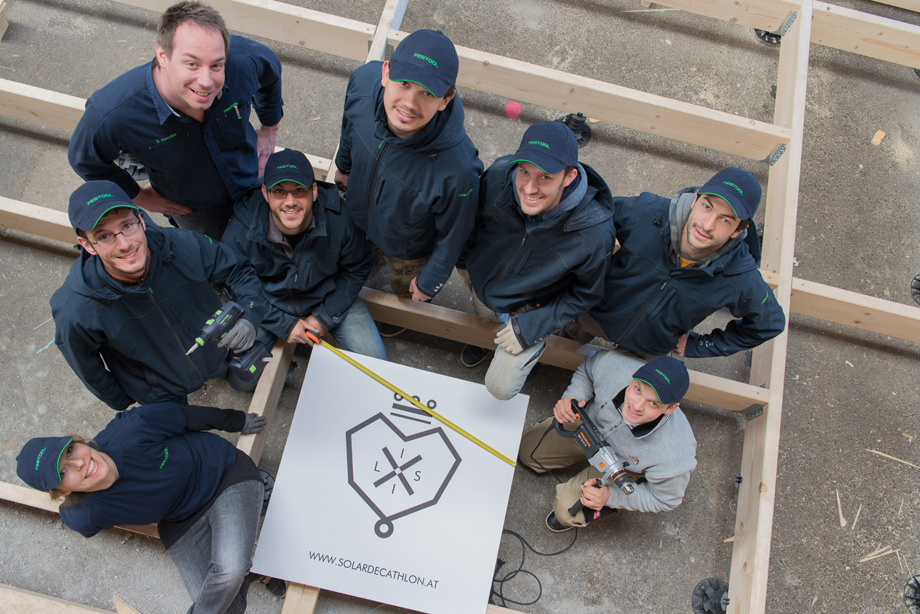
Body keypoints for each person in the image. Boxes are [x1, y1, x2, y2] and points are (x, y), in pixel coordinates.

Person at [16, 402, 283, 611]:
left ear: (77, 441)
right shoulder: (82, 515)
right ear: (62, 492)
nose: (79, 464)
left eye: (71, 451)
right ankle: (251, 567)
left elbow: (187, 415)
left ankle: (243, 564)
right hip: (180, 521)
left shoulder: (133, 428)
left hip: (224, 475)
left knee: (229, 570)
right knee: (225, 604)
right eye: (64, 473)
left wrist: (238, 420)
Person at [67, 1, 283, 240]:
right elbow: (85, 160)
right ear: (163, 56)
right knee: (217, 259)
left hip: (252, 176)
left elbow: (270, 73)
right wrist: (140, 197)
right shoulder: (113, 112)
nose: (206, 81)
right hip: (194, 210)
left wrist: (269, 127)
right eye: (192, 64)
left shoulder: (244, 61)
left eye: (216, 65)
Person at [51, 180, 268, 411]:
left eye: (127, 226)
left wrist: (250, 317)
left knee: (239, 372)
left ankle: (219, 369)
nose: (124, 244)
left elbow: (240, 272)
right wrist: (122, 399)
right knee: (180, 424)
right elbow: (85, 363)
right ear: (86, 245)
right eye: (104, 236)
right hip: (160, 391)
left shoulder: (183, 245)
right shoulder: (75, 308)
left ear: (141, 220)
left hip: (214, 352)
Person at [333, 28, 483, 336]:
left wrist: (429, 282)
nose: (410, 104)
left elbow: (455, 235)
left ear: (447, 99)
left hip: (407, 250)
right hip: (358, 216)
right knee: (355, 258)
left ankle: (398, 316)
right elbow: (348, 126)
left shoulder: (458, 170)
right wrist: (344, 166)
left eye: (427, 93)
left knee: (405, 292)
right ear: (386, 72)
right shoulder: (363, 83)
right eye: (404, 84)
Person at [456, 121, 615, 400]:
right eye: (524, 171)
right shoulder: (498, 178)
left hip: (533, 306)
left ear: (568, 177)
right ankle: (488, 339)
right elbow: (472, 224)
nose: (529, 188)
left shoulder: (593, 233)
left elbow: (586, 294)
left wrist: (532, 327)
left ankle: (526, 349)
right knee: (485, 318)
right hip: (485, 280)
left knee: (500, 388)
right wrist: (466, 264)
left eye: (545, 177)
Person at [566, 167, 785, 358]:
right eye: (707, 207)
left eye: (725, 219)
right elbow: (589, 216)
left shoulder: (739, 276)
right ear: (695, 200)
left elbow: (769, 324)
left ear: (738, 231)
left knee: (628, 391)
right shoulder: (649, 213)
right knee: (568, 334)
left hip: (648, 345)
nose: (707, 225)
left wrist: (699, 345)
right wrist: (581, 279)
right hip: (593, 314)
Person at [223, 149, 387, 360]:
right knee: (240, 376)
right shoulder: (241, 228)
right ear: (265, 193)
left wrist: (325, 317)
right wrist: (283, 324)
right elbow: (233, 279)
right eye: (279, 191)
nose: (290, 201)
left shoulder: (339, 219)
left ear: (314, 191)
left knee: (377, 363)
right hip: (270, 302)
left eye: (299, 190)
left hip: (327, 295)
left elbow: (359, 266)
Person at [519, 353, 697, 532]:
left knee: (565, 511)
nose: (636, 406)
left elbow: (665, 500)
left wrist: (612, 497)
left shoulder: (675, 456)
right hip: (589, 428)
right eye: (638, 389)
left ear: (671, 408)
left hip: (620, 466)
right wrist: (573, 396)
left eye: (653, 404)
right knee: (527, 453)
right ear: (634, 376)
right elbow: (589, 367)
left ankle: (605, 503)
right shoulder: (615, 364)